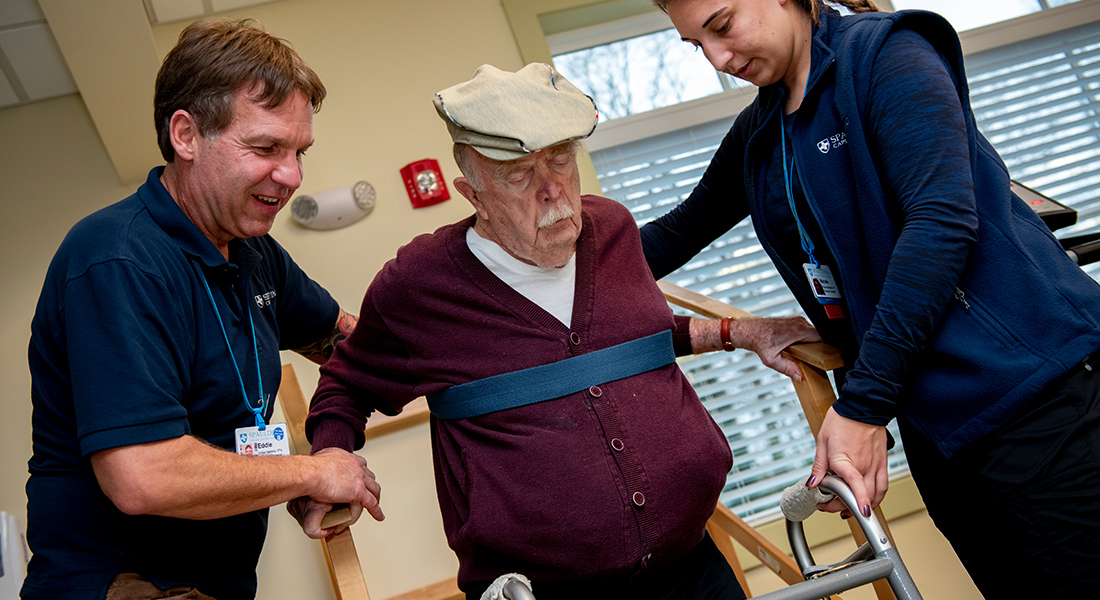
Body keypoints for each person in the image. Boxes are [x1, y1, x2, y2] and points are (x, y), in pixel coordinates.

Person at [295, 62, 819, 599]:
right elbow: (348, 383)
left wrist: (740, 330)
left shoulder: (611, 229)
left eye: (561, 160)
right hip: (541, 591)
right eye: (519, 174)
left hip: (691, 566)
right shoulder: (421, 285)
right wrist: (331, 455)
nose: (553, 191)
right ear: (471, 193)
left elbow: (632, 338)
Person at [642, 0, 1100, 596]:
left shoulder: (889, 55)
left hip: (1040, 401)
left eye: (722, 27)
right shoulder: (763, 129)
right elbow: (675, 233)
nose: (718, 59)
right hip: (942, 433)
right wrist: (529, 259)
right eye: (694, 45)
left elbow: (940, 224)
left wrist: (861, 408)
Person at [24, 19, 382, 600]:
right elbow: (144, 475)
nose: (290, 176)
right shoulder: (117, 259)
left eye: (298, 152)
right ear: (186, 136)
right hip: (124, 584)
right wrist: (312, 472)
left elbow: (349, 344)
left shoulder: (253, 252)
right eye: (265, 148)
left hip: (219, 581)